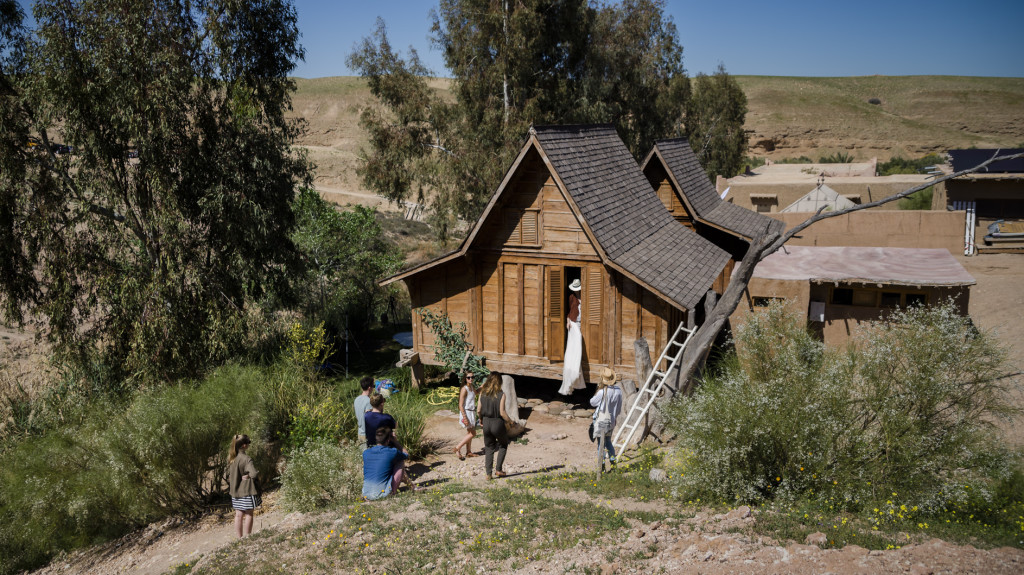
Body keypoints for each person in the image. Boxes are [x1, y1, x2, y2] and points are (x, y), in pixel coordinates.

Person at [224, 434, 261, 538]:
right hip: (246, 491)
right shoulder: (246, 459)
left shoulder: (232, 458)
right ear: (244, 445)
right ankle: (248, 537)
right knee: (249, 514)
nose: (249, 445)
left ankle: (239, 538)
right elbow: (253, 474)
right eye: (248, 443)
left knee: (238, 515)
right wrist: (248, 476)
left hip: (235, 492)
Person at [478, 372, 512, 480]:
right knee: (503, 444)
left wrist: (480, 418)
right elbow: (502, 412)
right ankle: (498, 469)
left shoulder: (482, 393)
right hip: (497, 422)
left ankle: (488, 474)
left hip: (486, 422)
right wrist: (510, 422)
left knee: (489, 448)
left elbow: (478, 409)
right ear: (499, 382)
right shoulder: (501, 394)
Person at [362, 426, 409, 500]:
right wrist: (395, 441)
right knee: (400, 461)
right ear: (388, 440)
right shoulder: (392, 452)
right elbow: (406, 454)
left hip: (366, 495)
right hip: (382, 495)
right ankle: (393, 492)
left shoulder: (366, 453)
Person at [590, 367, 624, 465]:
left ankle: (602, 465)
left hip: (601, 420)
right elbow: (618, 408)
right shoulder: (618, 391)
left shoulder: (602, 392)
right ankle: (613, 462)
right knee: (608, 442)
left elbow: (592, 402)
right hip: (612, 420)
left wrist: (598, 390)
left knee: (600, 444)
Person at [560, 279, 585, 395]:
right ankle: (573, 369)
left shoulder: (585, 296)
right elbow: (570, 311)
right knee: (574, 345)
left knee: (579, 343)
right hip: (574, 324)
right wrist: (567, 321)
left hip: (582, 324)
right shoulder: (572, 297)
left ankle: (576, 370)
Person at [453, 371, 480, 460]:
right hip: (466, 412)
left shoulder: (471, 387)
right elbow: (460, 405)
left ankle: (468, 452)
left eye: (472, 377)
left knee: (469, 433)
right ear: (465, 378)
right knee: (473, 433)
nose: (471, 379)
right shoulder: (464, 389)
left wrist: (482, 387)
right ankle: (457, 448)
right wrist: (465, 417)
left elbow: (476, 392)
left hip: (471, 412)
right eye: (468, 377)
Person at [354, 376, 374, 445]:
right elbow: (370, 419)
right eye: (373, 386)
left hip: (360, 432)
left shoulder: (356, 399)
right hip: (367, 434)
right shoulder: (369, 401)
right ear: (369, 388)